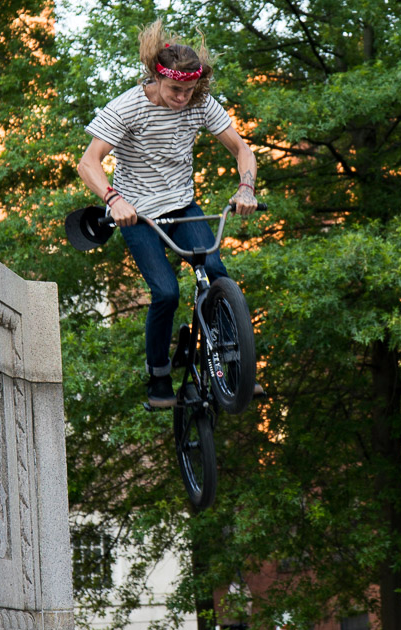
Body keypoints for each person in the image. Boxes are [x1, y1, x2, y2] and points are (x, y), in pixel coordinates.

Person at [77, 19, 258, 408]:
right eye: (176, 89)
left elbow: (242, 150)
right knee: (166, 293)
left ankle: (233, 365)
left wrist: (247, 187)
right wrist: (113, 199)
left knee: (217, 273)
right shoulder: (128, 108)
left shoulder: (200, 103)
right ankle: (158, 375)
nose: (182, 98)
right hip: (137, 214)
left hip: (182, 205)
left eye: (189, 90)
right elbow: (88, 162)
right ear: (157, 78)